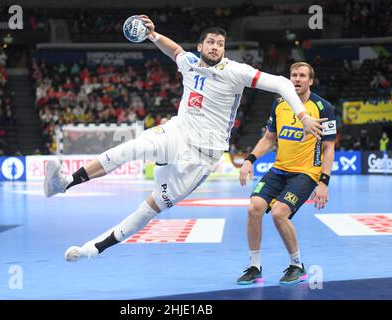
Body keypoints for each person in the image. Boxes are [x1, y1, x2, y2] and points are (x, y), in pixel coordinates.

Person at [43, 15, 325, 262]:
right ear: (201, 47)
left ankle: (94, 249)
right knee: (128, 148)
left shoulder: (235, 71)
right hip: (177, 132)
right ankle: (64, 183)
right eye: (211, 42)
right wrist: (153, 35)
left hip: (202, 158)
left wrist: (301, 115)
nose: (216, 47)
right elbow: (175, 50)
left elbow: (280, 83)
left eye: (221, 43)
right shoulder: (190, 62)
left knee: (151, 207)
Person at [237, 62, 336, 285]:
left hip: (306, 172)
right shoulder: (279, 104)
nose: (297, 79)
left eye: (302, 76)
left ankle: (297, 265)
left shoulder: (323, 107)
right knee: (254, 208)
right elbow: (269, 139)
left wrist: (324, 182)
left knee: (279, 213)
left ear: (311, 80)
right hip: (279, 169)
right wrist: (249, 160)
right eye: (294, 75)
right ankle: (254, 267)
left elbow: (329, 147)